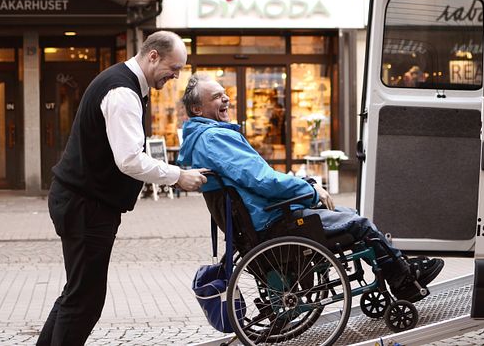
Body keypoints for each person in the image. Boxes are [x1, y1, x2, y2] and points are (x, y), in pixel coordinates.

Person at [177, 74, 443, 302]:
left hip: (262, 219)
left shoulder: (204, 139)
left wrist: (304, 187)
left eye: (225, 94)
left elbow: (258, 179)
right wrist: (311, 191)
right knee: (358, 224)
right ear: (198, 109)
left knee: (347, 213)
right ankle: (404, 281)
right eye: (216, 96)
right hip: (271, 221)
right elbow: (263, 181)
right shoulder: (215, 139)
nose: (225, 99)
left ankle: (403, 268)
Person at [37, 31, 208, 346]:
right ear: (153, 56)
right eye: (174, 67)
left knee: (77, 294)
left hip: (81, 201)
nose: (176, 76)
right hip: (86, 205)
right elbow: (129, 160)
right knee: (85, 302)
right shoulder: (122, 91)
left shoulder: (126, 84)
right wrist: (178, 176)